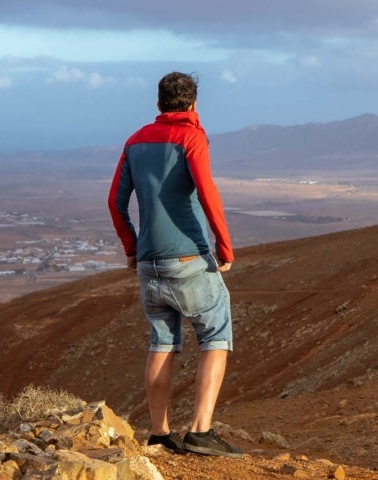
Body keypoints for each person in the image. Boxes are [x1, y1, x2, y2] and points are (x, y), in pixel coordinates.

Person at [108, 72, 243, 458]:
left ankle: (159, 433)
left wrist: (132, 248)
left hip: (149, 263)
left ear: (159, 104)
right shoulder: (191, 137)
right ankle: (201, 431)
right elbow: (206, 191)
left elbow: (115, 203)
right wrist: (225, 248)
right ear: (193, 105)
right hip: (189, 258)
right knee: (216, 332)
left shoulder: (134, 141)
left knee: (161, 342)